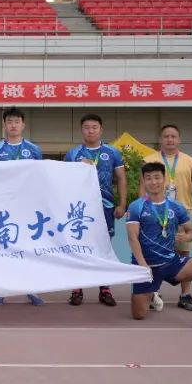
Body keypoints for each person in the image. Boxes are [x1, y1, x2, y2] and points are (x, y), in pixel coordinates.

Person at [127, 162, 192, 333]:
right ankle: (152, 293)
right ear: (144, 181)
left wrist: (187, 236)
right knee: (138, 314)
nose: (153, 182)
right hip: (147, 265)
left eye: (157, 177)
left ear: (164, 179)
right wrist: (142, 265)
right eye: (148, 178)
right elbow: (133, 238)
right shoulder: (136, 207)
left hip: (171, 262)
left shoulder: (176, 206)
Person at [63, 113, 126, 307]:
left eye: (94, 127)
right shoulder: (73, 154)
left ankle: (105, 289)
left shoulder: (112, 152)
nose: (90, 131)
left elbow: (121, 178)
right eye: (86, 127)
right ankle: (77, 288)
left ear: (101, 129)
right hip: (80, 208)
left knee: (104, 247)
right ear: (81, 130)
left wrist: (122, 204)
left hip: (105, 207)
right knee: (78, 246)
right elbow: (63, 180)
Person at [0, 107, 44, 307]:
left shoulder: (34, 150)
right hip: (3, 207)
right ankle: (0, 289)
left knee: (28, 248)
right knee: (2, 248)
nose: (13, 125)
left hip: (27, 207)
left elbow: (40, 176)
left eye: (17, 121)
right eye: (9, 121)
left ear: (23, 125)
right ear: (4, 125)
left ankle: (31, 288)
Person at [140, 124, 192, 311]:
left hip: (181, 214)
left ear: (179, 139)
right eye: (166, 136)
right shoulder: (149, 159)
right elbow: (142, 187)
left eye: (173, 136)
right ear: (160, 139)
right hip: (154, 213)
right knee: (153, 254)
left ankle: (185, 295)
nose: (170, 139)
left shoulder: (190, 161)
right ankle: (153, 292)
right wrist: (141, 209)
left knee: (183, 254)